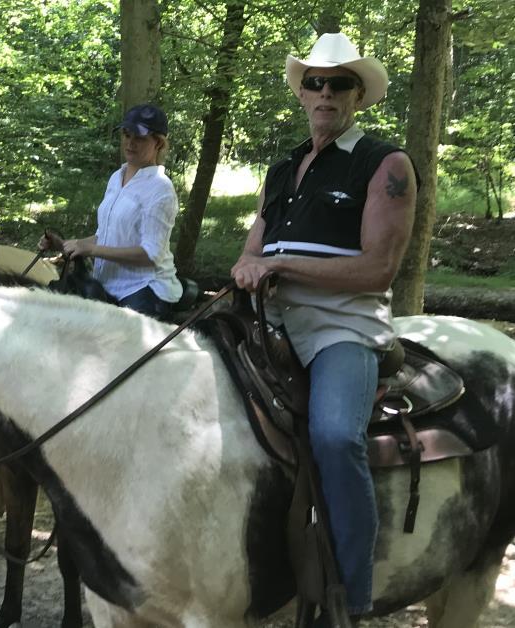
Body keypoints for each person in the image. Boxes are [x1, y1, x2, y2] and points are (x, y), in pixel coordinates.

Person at [230, 33, 417, 622]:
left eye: (339, 83)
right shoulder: (284, 166)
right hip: (268, 320)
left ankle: (351, 594)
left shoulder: (385, 163)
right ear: (303, 92)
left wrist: (280, 264)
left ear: (358, 94)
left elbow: (378, 268)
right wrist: (244, 268)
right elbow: (250, 248)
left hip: (340, 327)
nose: (325, 92)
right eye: (315, 81)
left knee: (336, 437)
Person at [38, 103, 182, 319]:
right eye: (126, 134)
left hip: (143, 289)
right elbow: (106, 236)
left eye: (139, 137)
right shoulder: (117, 177)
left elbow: (151, 255)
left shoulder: (160, 188)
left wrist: (91, 251)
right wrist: (67, 245)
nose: (130, 143)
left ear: (158, 143)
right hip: (106, 285)